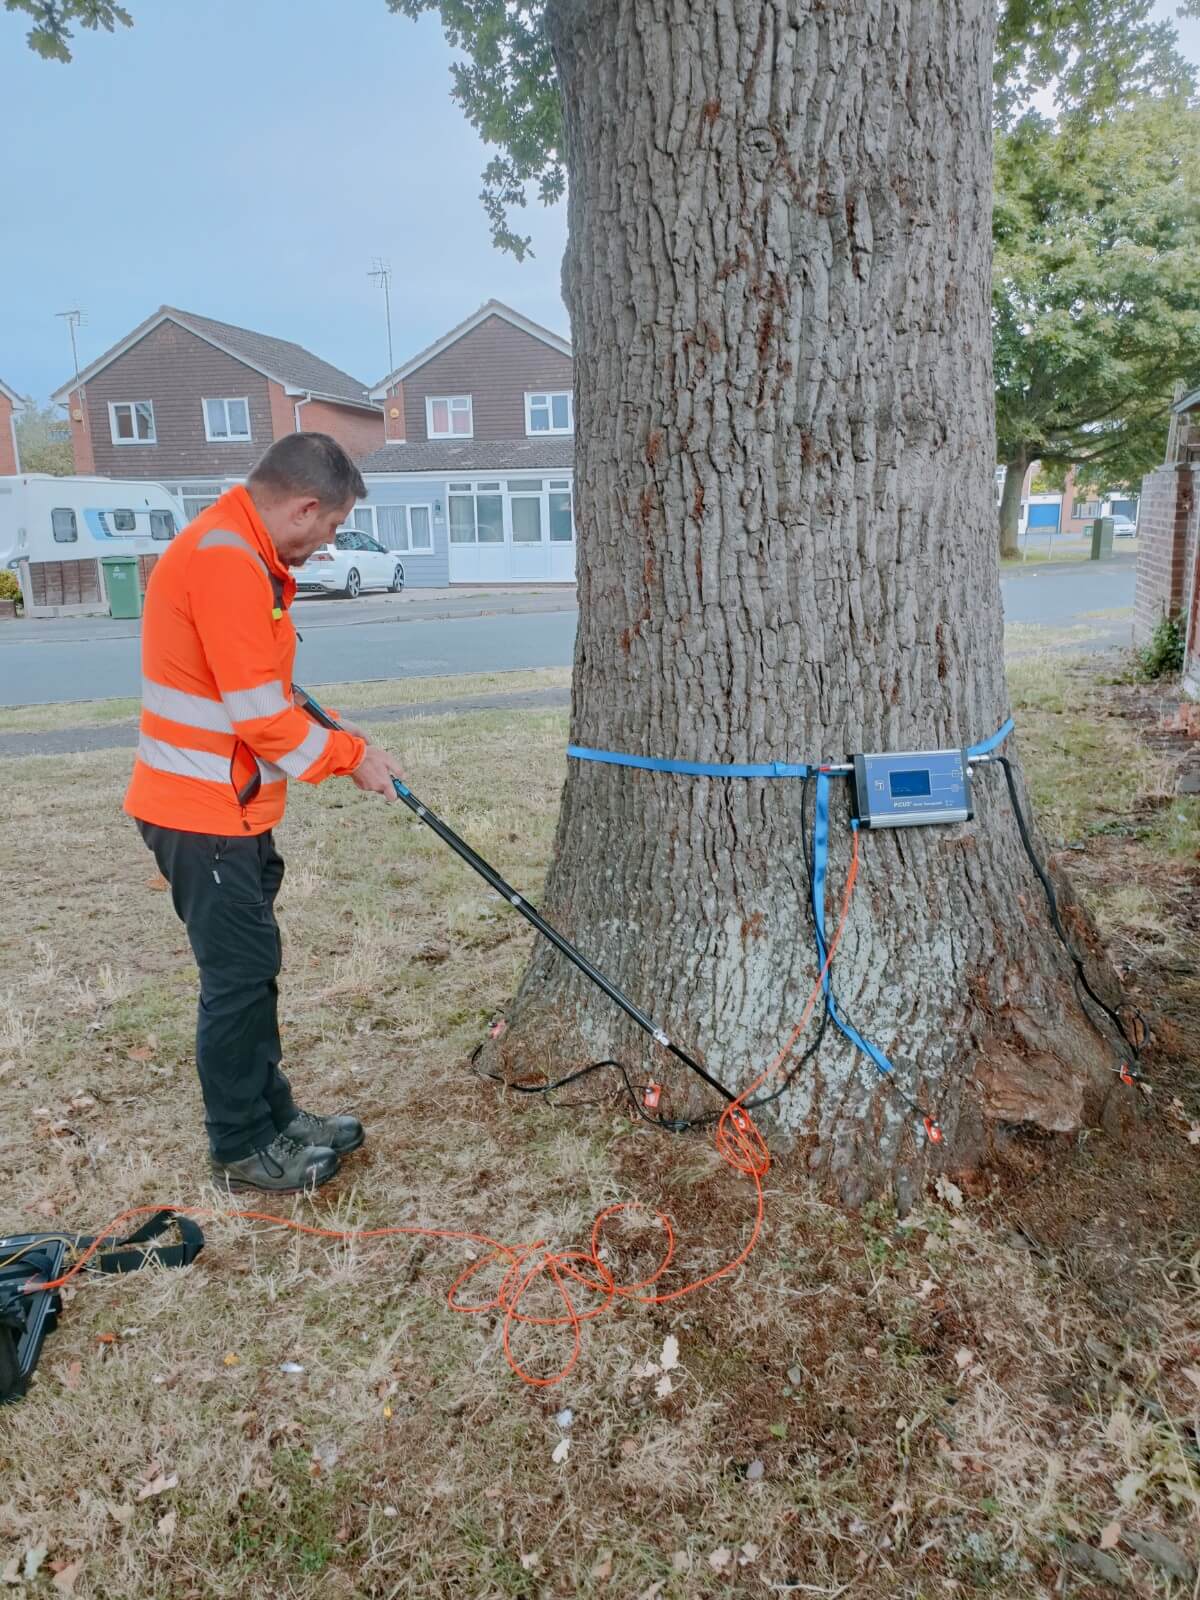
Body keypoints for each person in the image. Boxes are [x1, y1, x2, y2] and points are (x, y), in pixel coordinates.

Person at [126, 433, 406, 1193]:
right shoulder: (226, 560)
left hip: (230, 810)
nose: (328, 544)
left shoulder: (243, 552)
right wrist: (352, 762)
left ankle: (275, 1115)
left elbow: (270, 694)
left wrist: (344, 734)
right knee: (238, 980)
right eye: (331, 529)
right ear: (304, 506)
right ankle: (241, 1145)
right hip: (201, 813)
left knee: (254, 973)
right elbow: (261, 718)